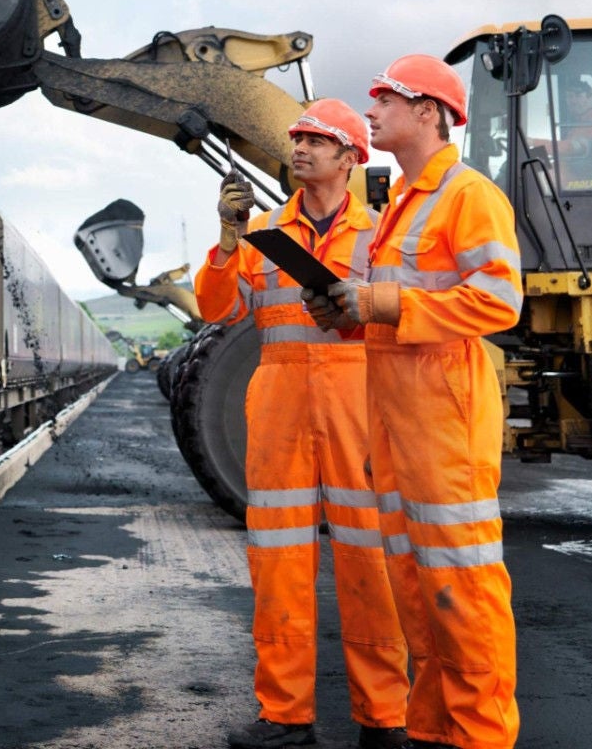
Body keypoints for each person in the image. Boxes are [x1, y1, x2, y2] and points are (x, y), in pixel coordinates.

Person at [306, 55, 523, 749]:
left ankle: (481, 737)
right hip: (400, 422)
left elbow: (500, 299)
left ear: (427, 111)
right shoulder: (400, 204)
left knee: (464, 591)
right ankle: (433, 732)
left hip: (445, 423)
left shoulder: (468, 195)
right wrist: (346, 310)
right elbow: (387, 303)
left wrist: (382, 301)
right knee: (420, 591)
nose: (370, 114)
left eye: (385, 101)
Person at [195, 99, 408, 749]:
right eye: (296, 139)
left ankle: (385, 718)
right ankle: (285, 716)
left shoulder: (383, 234)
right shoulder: (265, 232)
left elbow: (409, 314)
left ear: (351, 157)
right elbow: (218, 307)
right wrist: (228, 241)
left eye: (316, 139)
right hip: (282, 404)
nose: (301, 148)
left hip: (359, 402)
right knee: (278, 562)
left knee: (370, 563)